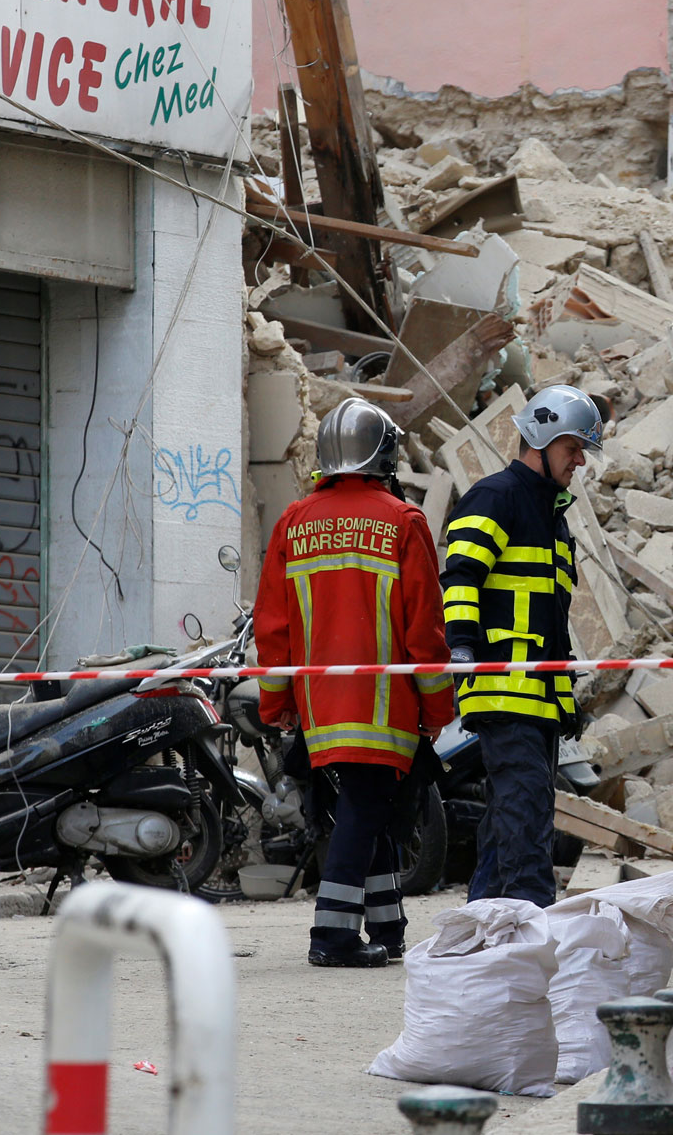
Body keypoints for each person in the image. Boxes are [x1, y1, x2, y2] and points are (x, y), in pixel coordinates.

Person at [254, 397, 458, 968]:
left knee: (371, 812)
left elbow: (273, 627)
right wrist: (439, 709)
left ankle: (388, 929)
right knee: (369, 811)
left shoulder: (294, 522)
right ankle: (334, 936)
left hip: (320, 707)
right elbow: (425, 628)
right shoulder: (403, 520)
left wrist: (278, 704)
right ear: (384, 455)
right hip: (386, 706)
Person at [440, 384, 606, 907]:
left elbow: (549, 625)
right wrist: (463, 647)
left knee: (510, 815)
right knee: (525, 811)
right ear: (541, 436)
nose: (580, 460)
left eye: (582, 450)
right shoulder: (497, 497)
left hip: (535, 696)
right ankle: (531, 920)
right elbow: (461, 576)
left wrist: (565, 701)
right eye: (572, 447)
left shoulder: (552, 519)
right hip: (501, 689)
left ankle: (483, 920)